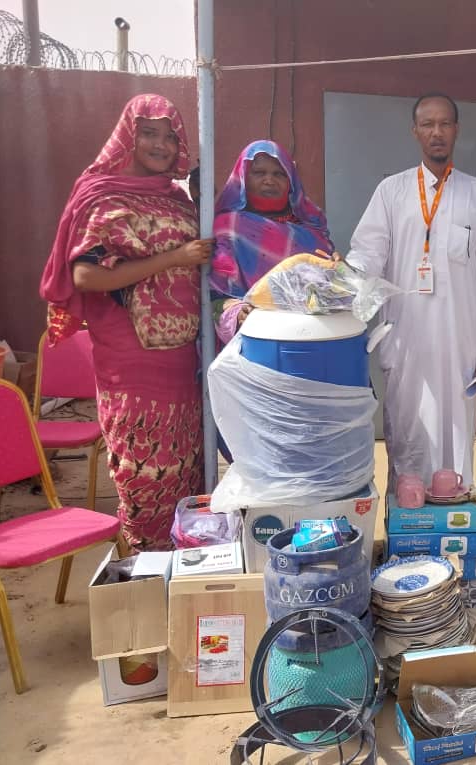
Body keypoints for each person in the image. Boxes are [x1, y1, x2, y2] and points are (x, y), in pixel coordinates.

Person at [38, 94, 211, 551]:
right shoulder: (104, 193)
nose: (161, 145)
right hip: (131, 363)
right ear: (128, 137)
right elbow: (86, 275)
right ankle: (147, 570)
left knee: (188, 471)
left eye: (170, 136)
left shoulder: (177, 198)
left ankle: (185, 568)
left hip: (183, 361)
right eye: (149, 134)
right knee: (145, 473)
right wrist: (173, 257)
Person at [345, 93, 476, 489]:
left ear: (457, 130)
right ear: (415, 131)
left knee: (456, 426)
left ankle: (455, 511)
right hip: (407, 335)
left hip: (461, 338)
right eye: (428, 124)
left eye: (445, 124)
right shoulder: (392, 192)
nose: (437, 132)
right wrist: (341, 281)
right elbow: (368, 253)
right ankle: (407, 515)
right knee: (407, 423)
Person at [210, 140, 335, 343]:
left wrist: (338, 270)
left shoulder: (312, 232)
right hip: (254, 342)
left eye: (279, 174)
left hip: (311, 340)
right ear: (243, 178)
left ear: (291, 181)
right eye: (259, 173)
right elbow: (215, 294)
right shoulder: (229, 228)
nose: (269, 180)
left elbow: (331, 290)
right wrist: (235, 311)